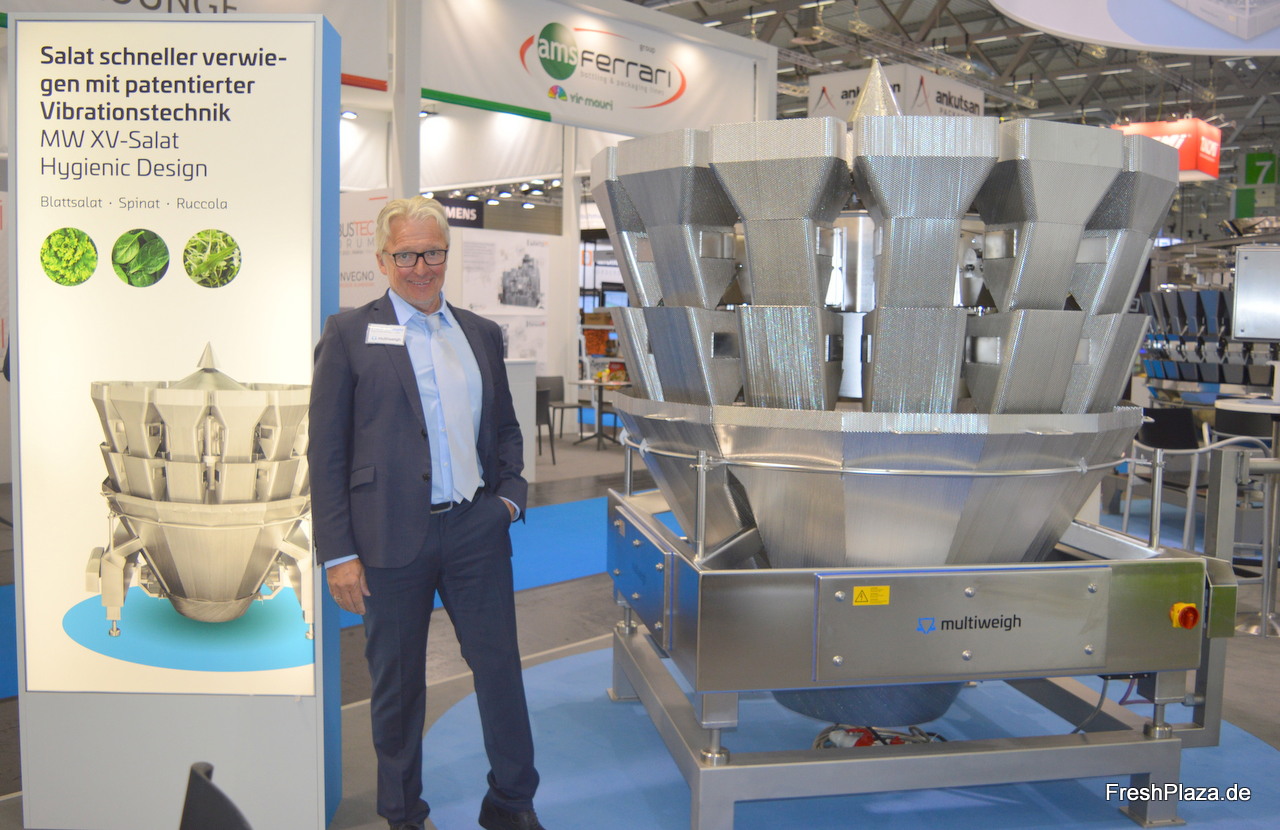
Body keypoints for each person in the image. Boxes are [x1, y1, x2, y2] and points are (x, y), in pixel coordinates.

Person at [309, 196, 545, 830]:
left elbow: (505, 428)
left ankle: (512, 802)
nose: (421, 267)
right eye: (407, 255)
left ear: (447, 252)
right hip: (387, 537)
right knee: (398, 686)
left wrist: (508, 498)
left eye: (433, 252)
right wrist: (339, 552)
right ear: (383, 259)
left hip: (474, 528)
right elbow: (326, 452)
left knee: (500, 671)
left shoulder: (480, 333)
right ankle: (403, 814)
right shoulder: (349, 334)